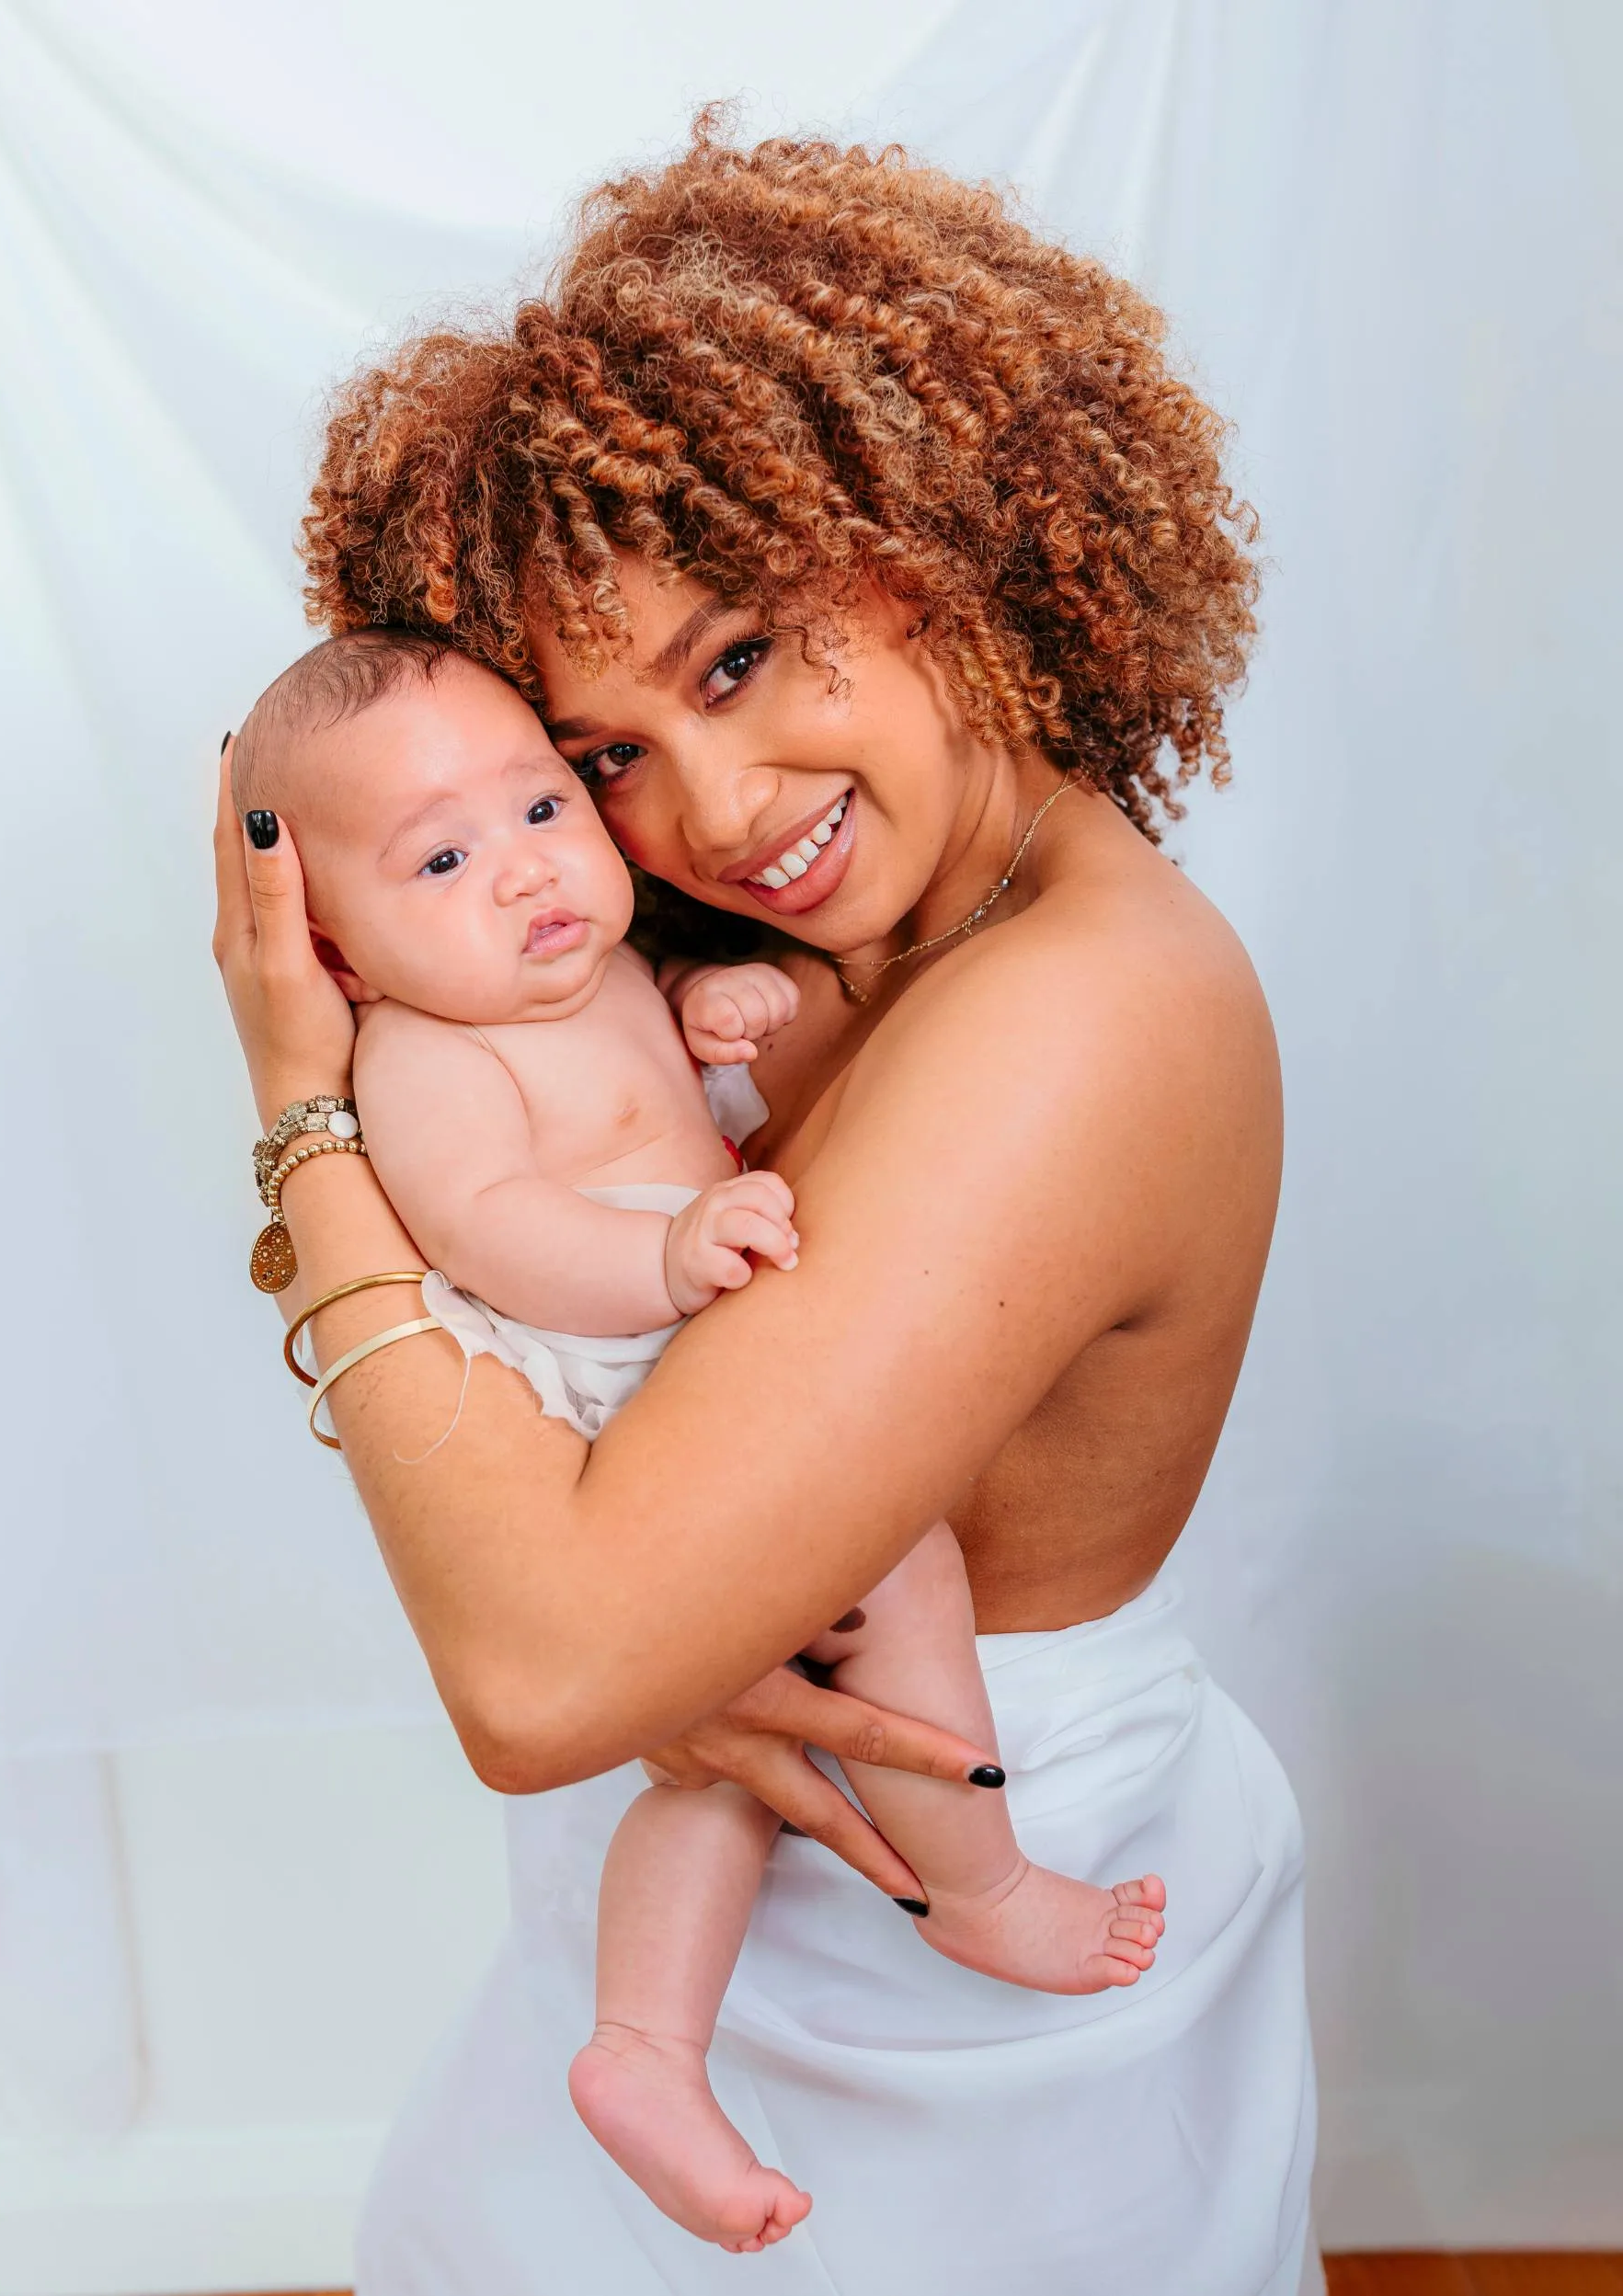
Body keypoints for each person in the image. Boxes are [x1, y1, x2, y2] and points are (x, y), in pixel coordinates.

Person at [212, 125, 1317, 2295]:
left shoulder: (1076, 1015)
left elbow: (540, 1666)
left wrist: (297, 1101)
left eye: (736, 660)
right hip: (750, 1890)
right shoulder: (812, 948)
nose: (706, 811)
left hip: (962, 1913)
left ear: (921, 533)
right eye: (599, 754)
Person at [228, 628, 1166, 2251]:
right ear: (337, 956)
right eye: (442, 859)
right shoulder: (425, 1055)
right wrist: (659, 1260)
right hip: (609, 1363)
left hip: (680, 1330)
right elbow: (493, 1224)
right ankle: (983, 1885)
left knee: (733, 1771)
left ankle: (643, 2051)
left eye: (539, 808)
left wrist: (713, 1001)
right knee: (903, 1583)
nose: (524, 876)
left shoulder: (595, 982)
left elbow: (665, 1079)